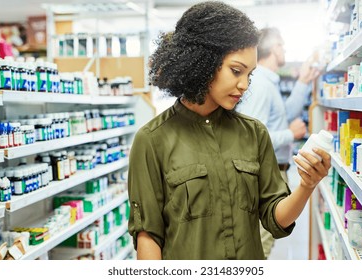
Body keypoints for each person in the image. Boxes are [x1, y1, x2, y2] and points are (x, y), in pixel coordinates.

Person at [127, 1, 331, 260]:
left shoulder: (254, 133)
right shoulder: (152, 140)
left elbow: (274, 218)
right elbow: (148, 235)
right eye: (236, 71)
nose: (244, 85)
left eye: (250, 74)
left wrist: (306, 185)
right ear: (202, 61)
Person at [236, 27, 320, 258]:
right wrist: (289, 135)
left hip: (273, 171)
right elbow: (249, 138)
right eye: (282, 45)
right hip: (265, 174)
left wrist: (303, 82)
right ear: (274, 49)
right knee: (260, 246)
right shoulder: (261, 85)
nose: (284, 50)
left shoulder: (267, 82)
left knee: (265, 241)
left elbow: (282, 115)